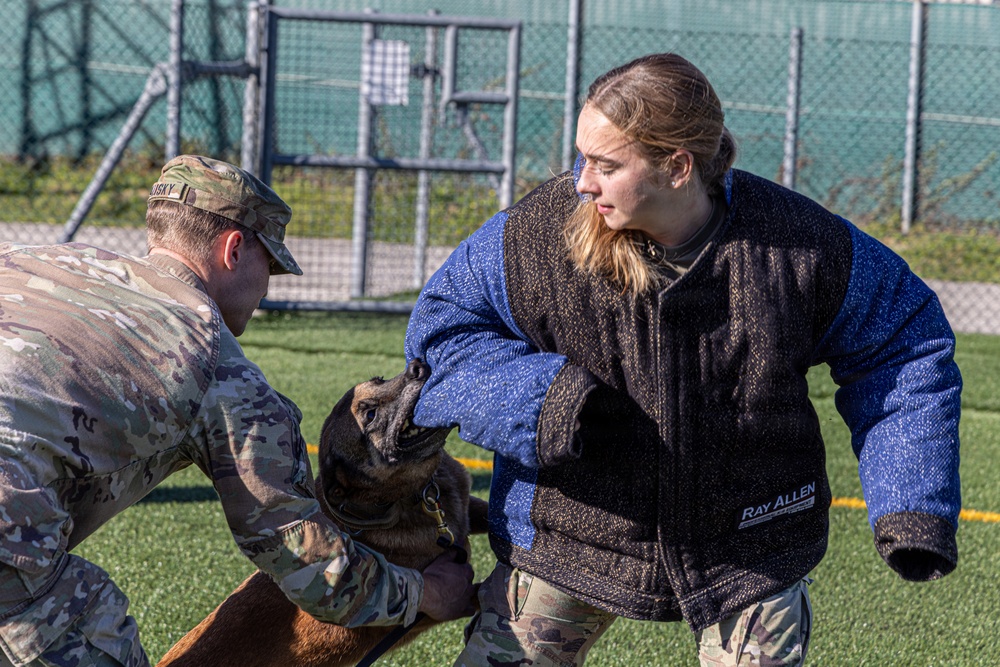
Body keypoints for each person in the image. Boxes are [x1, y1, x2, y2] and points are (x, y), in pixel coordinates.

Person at [404, 53, 962, 666]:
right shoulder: (538, 236)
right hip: (570, 532)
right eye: (582, 157)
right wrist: (546, 404)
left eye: (605, 164)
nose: (582, 181)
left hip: (751, 543)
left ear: (677, 167)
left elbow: (905, 345)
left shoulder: (800, 246)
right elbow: (442, 332)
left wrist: (912, 504)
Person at [0, 155, 474, 667]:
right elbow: (309, 565)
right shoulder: (219, 368)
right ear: (233, 249)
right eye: (268, 266)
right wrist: (424, 594)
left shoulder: (36, 261)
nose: (266, 290)